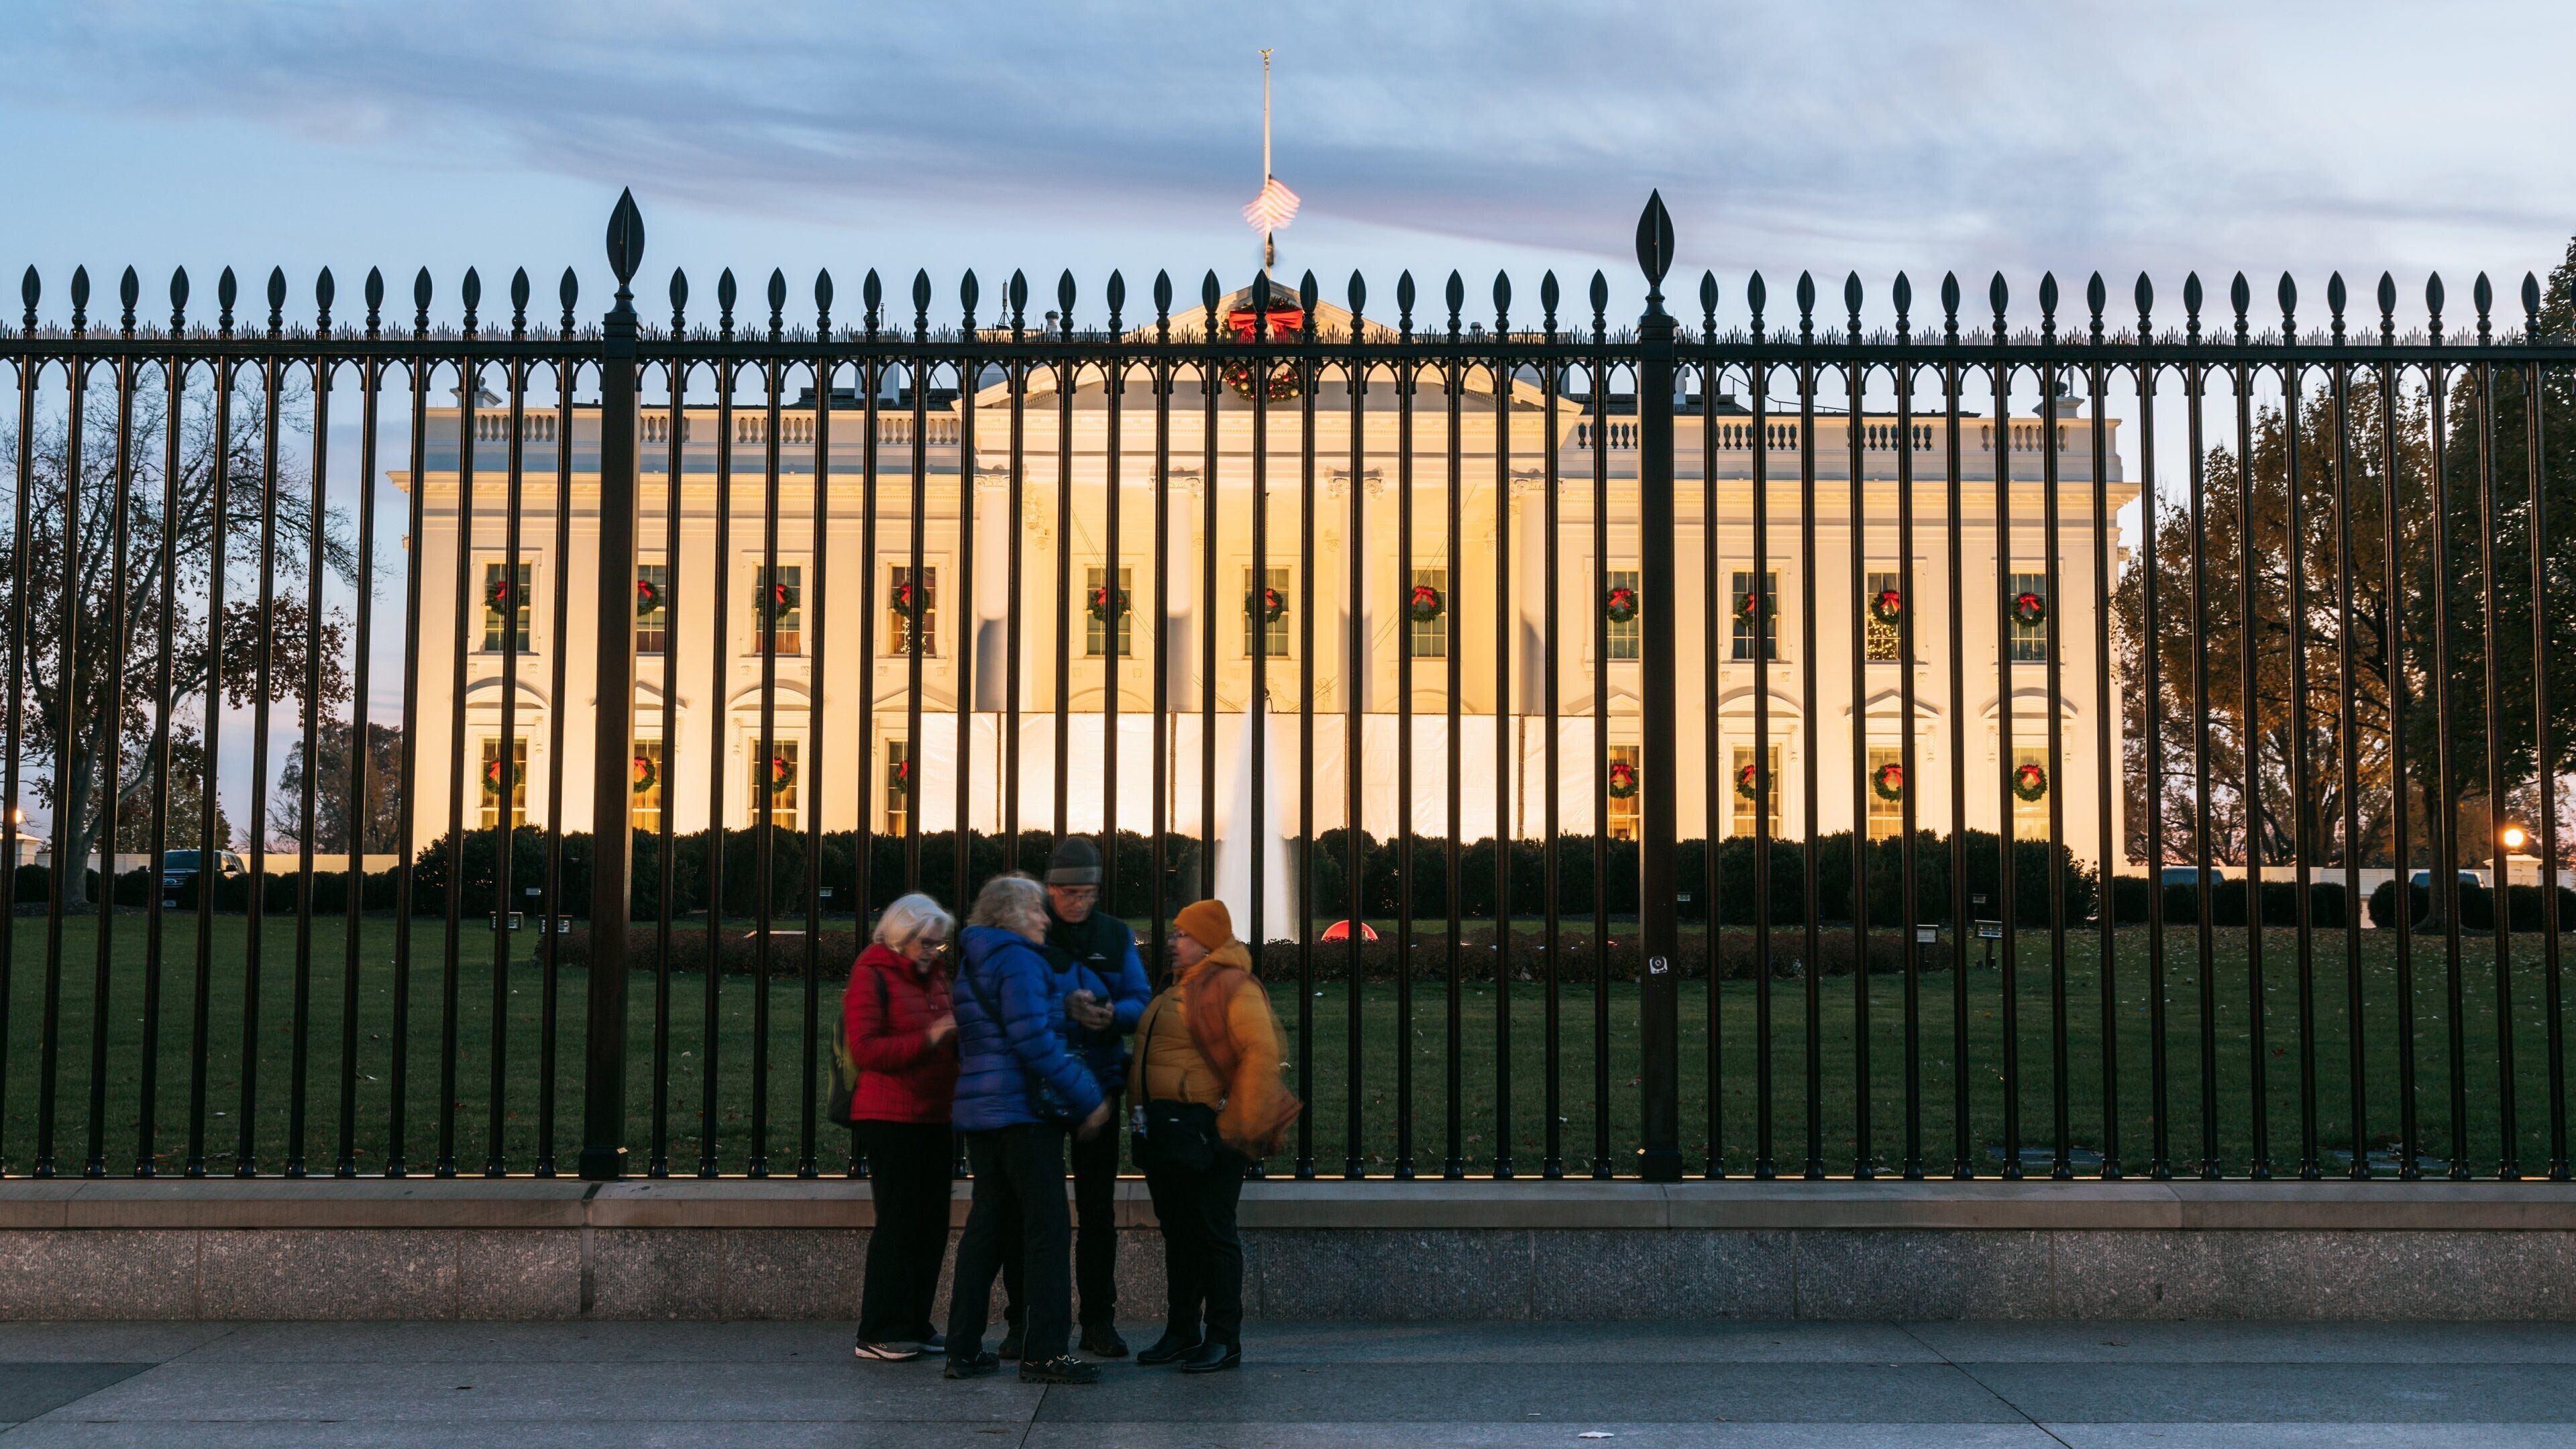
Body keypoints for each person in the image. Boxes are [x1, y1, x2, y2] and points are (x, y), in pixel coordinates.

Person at [943, 873, 1114, 1386]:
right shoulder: (1017, 957)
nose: (1045, 918)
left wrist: (1061, 1005)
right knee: (1048, 1230)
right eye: (1036, 910)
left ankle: (963, 1348)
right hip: (1022, 1116)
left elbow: (999, 1020)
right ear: (1009, 915)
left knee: (986, 1231)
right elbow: (1032, 1042)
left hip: (982, 1116)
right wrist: (1089, 1101)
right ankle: (1044, 1351)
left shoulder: (977, 957)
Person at [996, 837, 1152, 1360]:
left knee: (1098, 1211)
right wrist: (1070, 1012)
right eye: (1068, 893)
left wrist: (1113, 1016)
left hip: (1101, 1084)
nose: (1078, 903)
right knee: (1031, 1211)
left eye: (1087, 893)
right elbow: (1019, 1001)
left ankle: (1098, 1322)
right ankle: (1023, 1322)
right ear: (1049, 890)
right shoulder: (1032, 932)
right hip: (1042, 1087)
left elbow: (1140, 1000)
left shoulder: (1114, 935)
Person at [1130, 899, 1300, 1375]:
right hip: (1169, 1136)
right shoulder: (1178, 987)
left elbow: (1261, 1056)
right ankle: (1182, 1332)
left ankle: (1224, 1339)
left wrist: (1228, 1130)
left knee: (1213, 1235)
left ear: (1206, 942)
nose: (1173, 941)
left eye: (1183, 934)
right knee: (1181, 1235)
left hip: (1210, 1139)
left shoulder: (1232, 986)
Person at [847, 893, 959, 1362]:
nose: (933, 951)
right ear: (901, 936)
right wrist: (932, 1037)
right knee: (898, 1223)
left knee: (931, 1224)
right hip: (890, 1117)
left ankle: (915, 1322)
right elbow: (867, 1050)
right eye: (926, 943)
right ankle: (879, 1330)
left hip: (935, 1114)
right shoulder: (871, 975)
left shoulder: (933, 977)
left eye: (939, 944)